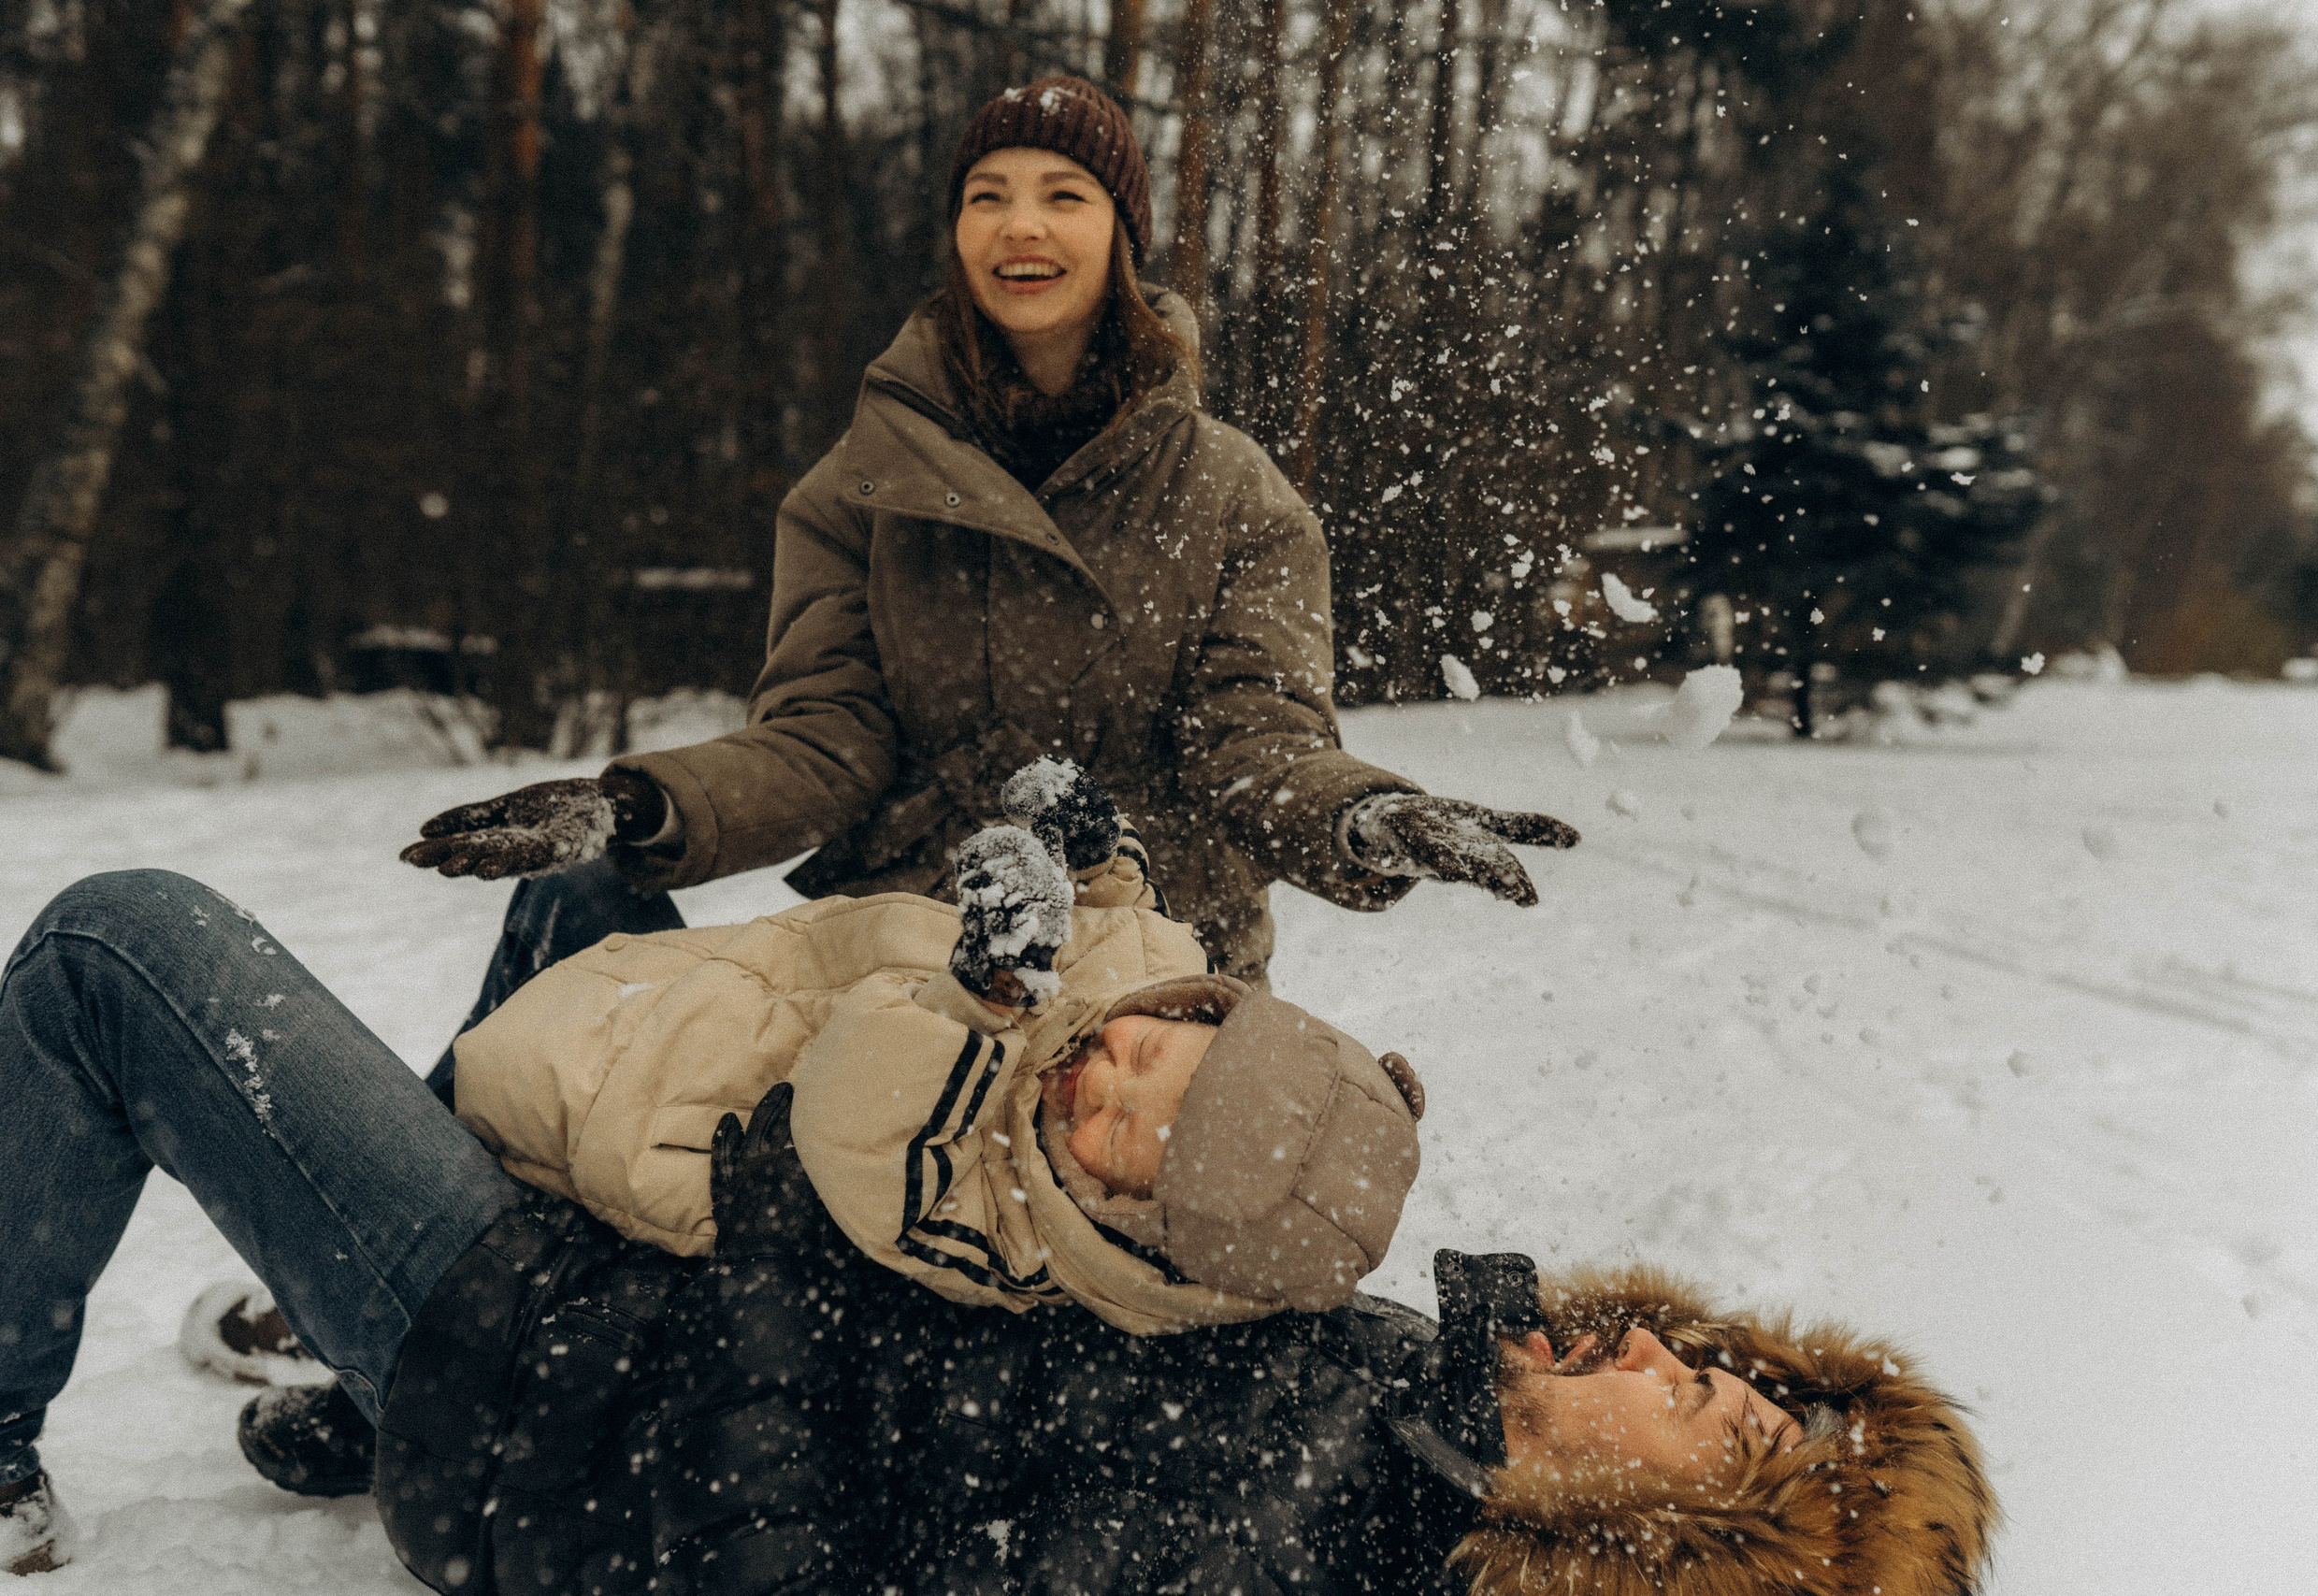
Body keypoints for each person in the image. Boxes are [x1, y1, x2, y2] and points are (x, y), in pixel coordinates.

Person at [0, 870, 1994, 1594]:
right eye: (1734, 1366)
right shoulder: (1405, 1414)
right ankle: (352, 1367)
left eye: (1722, 1430)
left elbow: (767, 1558)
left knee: (116, 945)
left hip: (582, 1410)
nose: (1678, 1357)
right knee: (584, 916)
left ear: (1676, 1570)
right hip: (681, 1286)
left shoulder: (1277, 1537)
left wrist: (784, 1204)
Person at [395, 72, 1578, 1013]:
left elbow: (1253, 744)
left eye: (1065, 194)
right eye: (987, 195)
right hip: (900, 961)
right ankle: (438, 1257)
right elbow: (823, 742)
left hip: (1152, 985)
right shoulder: (856, 490)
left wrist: (1363, 815)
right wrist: (639, 806)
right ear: (956, 232)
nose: (1022, 225)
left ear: (1122, 232)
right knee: (584, 947)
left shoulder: (1235, 495)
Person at [450, 758, 1425, 1331]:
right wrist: (1098, 855)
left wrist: (984, 992)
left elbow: (855, 1127)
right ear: (1193, 1014)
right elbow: (1130, 916)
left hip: (621, 1106)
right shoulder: (1155, 967)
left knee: (470, 1080)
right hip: (701, 990)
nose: (1102, 1087)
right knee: (571, 897)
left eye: (1120, 1138)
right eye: (1144, 1059)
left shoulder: (1008, 1235)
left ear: (1131, 1222)